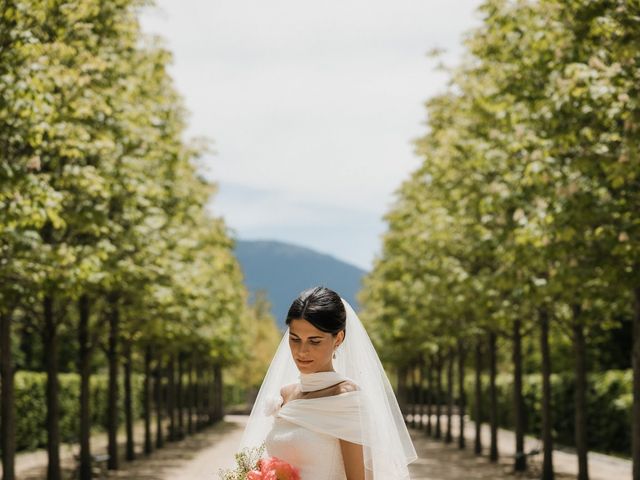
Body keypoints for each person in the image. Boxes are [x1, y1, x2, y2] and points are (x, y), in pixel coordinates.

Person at [238, 286, 417, 479]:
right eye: (295, 339)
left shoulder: (348, 399)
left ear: (338, 338)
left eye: (314, 341)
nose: (301, 351)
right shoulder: (285, 394)